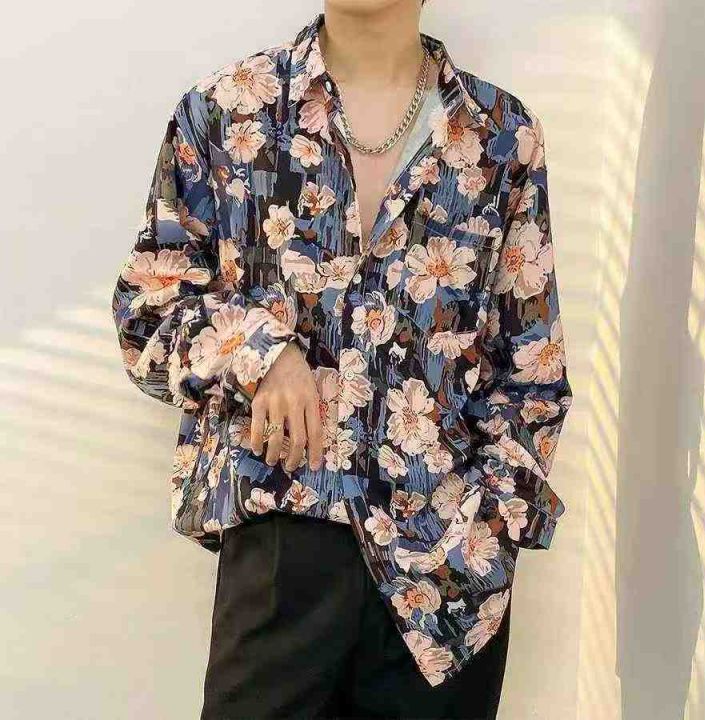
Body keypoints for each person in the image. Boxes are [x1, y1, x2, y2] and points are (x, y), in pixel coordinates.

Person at [111, 1, 574, 717]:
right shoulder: (225, 113)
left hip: (445, 574)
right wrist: (260, 352)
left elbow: (532, 367)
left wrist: (487, 527)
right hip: (283, 544)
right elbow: (147, 309)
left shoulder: (501, 136)